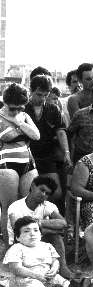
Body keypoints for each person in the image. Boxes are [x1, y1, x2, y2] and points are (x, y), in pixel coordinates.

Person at [7, 176, 75, 279]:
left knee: (55, 237)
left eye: (47, 193)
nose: (43, 195)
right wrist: (47, 230)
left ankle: (63, 268)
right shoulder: (16, 207)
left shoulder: (47, 205)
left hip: (37, 240)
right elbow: (18, 232)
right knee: (54, 234)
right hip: (20, 244)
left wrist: (39, 223)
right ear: (33, 186)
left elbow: (63, 223)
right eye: (42, 190)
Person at [0, 83, 40, 242]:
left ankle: (28, 245)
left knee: (29, 206)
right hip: (7, 165)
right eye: (12, 109)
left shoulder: (22, 116)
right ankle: (9, 245)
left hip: (28, 164)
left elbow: (36, 135)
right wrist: (23, 129)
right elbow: (6, 136)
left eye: (20, 108)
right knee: (9, 208)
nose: (17, 112)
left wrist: (18, 123)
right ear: (4, 103)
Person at [25, 75, 71, 207]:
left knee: (56, 193)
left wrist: (66, 152)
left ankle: (45, 216)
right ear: (31, 90)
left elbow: (61, 132)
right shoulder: (23, 109)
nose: (42, 99)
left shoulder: (53, 109)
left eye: (46, 95)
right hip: (28, 158)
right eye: (39, 94)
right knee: (28, 193)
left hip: (47, 157)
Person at [3, 216, 69, 287]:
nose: (32, 233)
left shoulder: (47, 246)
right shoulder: (16, 248)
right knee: (34, 285)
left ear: (41, 234)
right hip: (26, 278)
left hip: (46, 276)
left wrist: (54, 269)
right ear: (17, 237)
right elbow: (15, 268)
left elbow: (55, 261)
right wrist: (35, 275)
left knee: (60, 280)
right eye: (26, 231)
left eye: (36, 230)